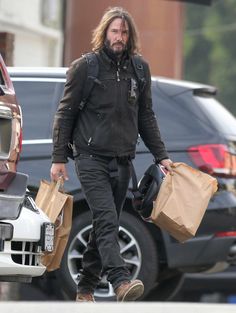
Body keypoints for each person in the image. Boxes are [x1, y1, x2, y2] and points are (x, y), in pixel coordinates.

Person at [50, 6, 173, 302]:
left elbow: (146, 116)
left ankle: (85, 288)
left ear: (130, 36)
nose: (119, 37)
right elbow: (64, 114)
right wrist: (58, 158)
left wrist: (162, 156)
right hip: (90, 158)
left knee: (107, 224)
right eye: (114, 31)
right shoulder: (86, 68)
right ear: (104, 33)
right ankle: (120, 282)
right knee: (106, 218)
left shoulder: (140, 69)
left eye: (124, 32)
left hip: (122, 161)